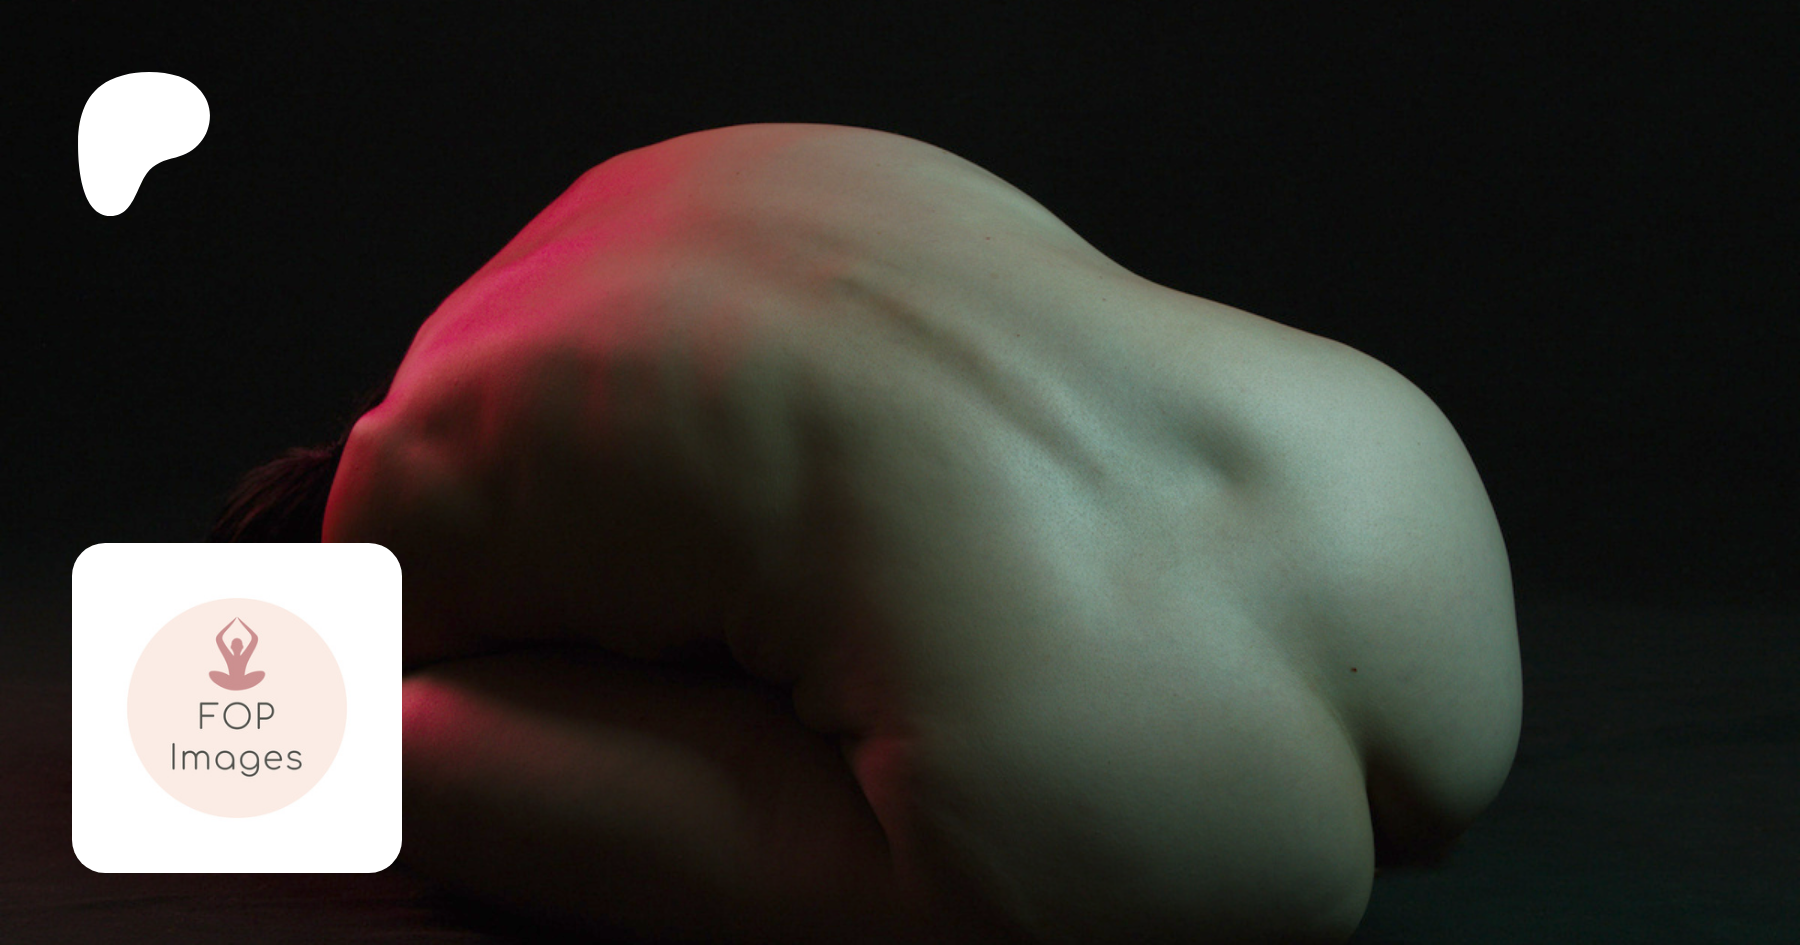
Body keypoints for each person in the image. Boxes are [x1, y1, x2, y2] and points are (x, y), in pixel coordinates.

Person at [212, 123, 1523, 945]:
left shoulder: (390, 489)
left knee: (352, 743)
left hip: (1139, 813)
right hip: (1394, 493)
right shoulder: (620, 190)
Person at [209, 617, 265, 690]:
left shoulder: (242, 655)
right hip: (233, 681)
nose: (237, 647)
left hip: (239, 681)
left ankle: (237, 684)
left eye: (238, 645)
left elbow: (255, 638)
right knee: (212, 674)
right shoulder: (231, 655)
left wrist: (240, 622)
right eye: (235, 645)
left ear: (242, 647)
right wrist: (233, 622)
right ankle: (236, 684)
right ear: (231, 647)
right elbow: (218, 638)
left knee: (261, 674)